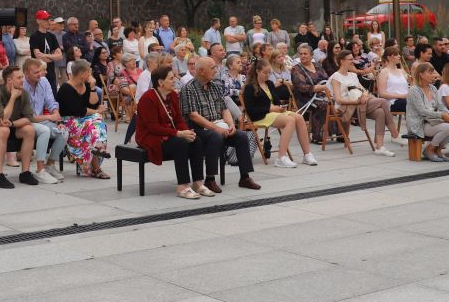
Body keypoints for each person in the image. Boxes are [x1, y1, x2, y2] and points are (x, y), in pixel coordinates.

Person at [180, 56, 260, 191]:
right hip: (198, 129)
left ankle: (245, 177)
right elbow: (194, 116)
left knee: (241, 136)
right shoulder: (188, 89)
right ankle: (210, 179)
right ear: (201, 71)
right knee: (215, 136)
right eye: (212, 68)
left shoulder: (216, 86)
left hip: (218, 125)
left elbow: (224, 109)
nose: (216, 70)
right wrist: (216, 128)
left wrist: (231, 125)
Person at [133, 65, 209, 199]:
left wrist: (186, 131)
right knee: (181, 143)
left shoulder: (173, 95)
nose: (175, 80)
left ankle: (198, 182)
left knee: (196, 140)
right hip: (150, 137)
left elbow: (178, 119)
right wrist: (179, 134)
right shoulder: (147, 98)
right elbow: (153, 128)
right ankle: (183, 186)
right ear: (160, 82)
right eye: (171, 78)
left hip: (169, 133)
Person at [241, 58, 314, 168]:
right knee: (290, 120)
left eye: (269, 72)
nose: (267, 75)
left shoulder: (269, 84)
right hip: (259, 116)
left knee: (299, 117)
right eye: (265, 72)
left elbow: (276, 101)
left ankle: (307, 154)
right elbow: (251, 110)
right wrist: (269, 108)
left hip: (271, 113)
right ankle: (281, 157)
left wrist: (279, 108)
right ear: (257, 71)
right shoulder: (249, 87)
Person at [0, 65, 37, 189]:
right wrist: (13, 97)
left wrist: (13, 123)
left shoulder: (23, 93)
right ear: (9, 80)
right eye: (19, 77)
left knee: (29, 130)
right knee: (3, 131)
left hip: (9, 125)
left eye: (22, 77)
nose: (23, 80)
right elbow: (3, 118)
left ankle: (25, 173)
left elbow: (29, 118)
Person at [329, 56, 394, 156]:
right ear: (342, 61)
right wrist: (356, 101)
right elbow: (338, 99)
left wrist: (364, 96)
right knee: (383, 102)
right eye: (350, 59)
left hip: (360, 104)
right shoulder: (336, 77)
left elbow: (364, 90)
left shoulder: (353, 75)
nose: (353, 61)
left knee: (380, 113)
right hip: (346, 107)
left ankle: (380, 147)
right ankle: (393, 131)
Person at [58, 59, 109, 179]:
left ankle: (97, 150)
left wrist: (92, 88)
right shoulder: (66, 89)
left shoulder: (86, 85)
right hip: (69, 122)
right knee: (95, 121)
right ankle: (98, 152)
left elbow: (93, 105)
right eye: (89, 73)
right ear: (81, 73)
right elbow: (79, 110)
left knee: (94, 124)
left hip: (85, 120)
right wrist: (97, 111)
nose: (90, 75)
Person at [22, 58, 67, 184]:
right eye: (36, 72)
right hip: (26, 122)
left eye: (39, 71)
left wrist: (56, 113)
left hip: (41, 120)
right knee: (45, 130)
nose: (39, 74)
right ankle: (40, 170)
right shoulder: (22, 86)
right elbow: (28, 116)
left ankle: (50, 165)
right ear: (26, 72)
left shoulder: (44, 81)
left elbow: (51, 101)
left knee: (64, 131)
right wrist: (50, 117)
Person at [405, 62, 449, 163]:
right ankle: (429, 150)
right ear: (421, 74)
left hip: (431, 121)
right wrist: (441, 115)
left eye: (433, 73)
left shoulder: (433, 88)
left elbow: (441, 106)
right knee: (447, 127)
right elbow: (422, 111)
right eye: (430, 73)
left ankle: (438, 150)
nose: (434, 75)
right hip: (419, 124)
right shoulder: (414, 90)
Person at [291, 44, 331, 145]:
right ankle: (316, 135)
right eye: (301, 54)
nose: (303, 56)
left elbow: (326, 79)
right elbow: (301, 87)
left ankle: (337, 132)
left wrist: (324, 88)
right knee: (323, 105)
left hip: (321, 94)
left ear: (312, 55)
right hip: (305, 98)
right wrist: (317, 88)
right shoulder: (296, 69)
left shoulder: (317, 66)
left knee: (338, 101)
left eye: (305, 54)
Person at [375, 47, 410, 144]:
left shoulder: (401, 71)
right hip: (391, 101)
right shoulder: (384, 72)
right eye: (397, 54)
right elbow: (382, 93)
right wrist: (402, 96)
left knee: (423, 102)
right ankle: (413, 133)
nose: (399, 56)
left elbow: (409, 86)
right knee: (412, 104)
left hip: (405, 99)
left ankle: (423, 133)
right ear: (390, 57)